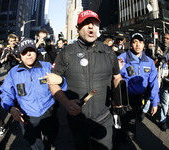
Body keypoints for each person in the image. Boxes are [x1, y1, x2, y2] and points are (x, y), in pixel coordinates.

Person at [46, 10, 121, 150]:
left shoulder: (109, 52)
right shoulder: (66, 52)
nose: (91, 26)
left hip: (103, 119)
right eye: (86, 23)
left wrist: (118, 96)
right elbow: (52, 81)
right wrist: (66, 103)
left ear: (98, 26)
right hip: (77, 120)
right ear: (78, 28)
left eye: (94, 23)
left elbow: (117, 77)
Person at [0, 38, 67, 150]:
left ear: (36, 51)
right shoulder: (14, 72)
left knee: (50, 139)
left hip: (48, 113)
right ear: (20, 54)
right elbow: (6, 94)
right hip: (27, 117)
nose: (28, 54)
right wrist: (11, 108)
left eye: (31, 50)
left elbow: (64, 86)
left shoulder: (47, 67)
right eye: (24, 52)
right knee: (35, 145)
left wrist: (62, 81)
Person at [117, 33, 159, 140]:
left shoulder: (149, 62)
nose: (138, 45)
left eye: (140, 42)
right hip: (124, 96)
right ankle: (127, 135)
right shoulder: (122, 58)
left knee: (132, 117)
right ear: (130, 44)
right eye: (135, 42)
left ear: (144, 44)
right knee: (126, 119)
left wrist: (155, 102)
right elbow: (113, 77)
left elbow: (154, 82)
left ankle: (127, 133)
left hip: (139, 97)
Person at [140, 33, 169, 131]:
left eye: (167, 38)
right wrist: (156, 61)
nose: (165, 40)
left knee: (165, 102)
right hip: (155, 79)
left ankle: (163, 121)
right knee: (150, 96)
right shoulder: (154, 50)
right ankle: (144, 111)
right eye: (164, 38)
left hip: (167, 81)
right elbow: (147, 64)